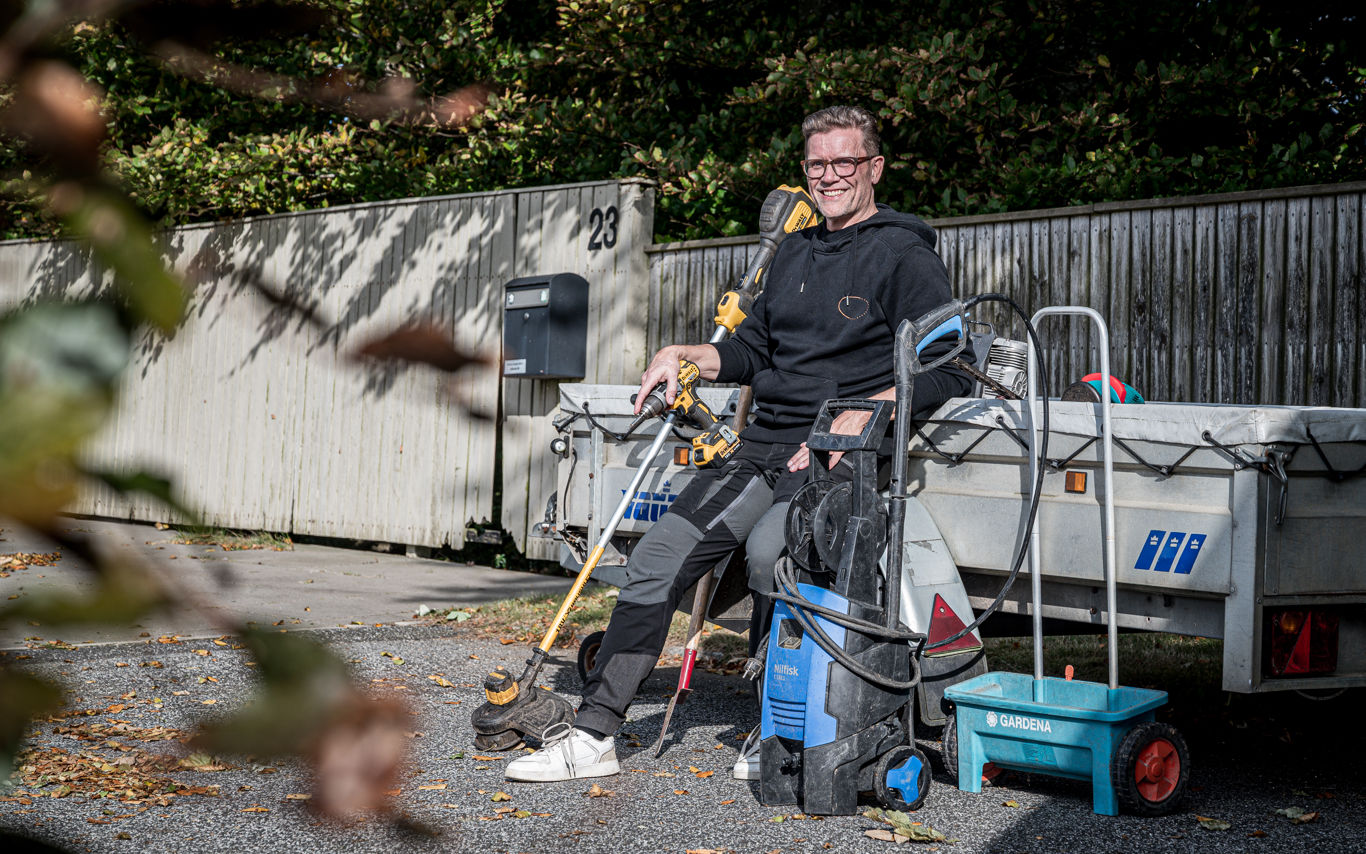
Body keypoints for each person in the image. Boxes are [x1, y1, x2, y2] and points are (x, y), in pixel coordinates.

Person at [505, 104, 973, 783]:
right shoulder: (795, 253)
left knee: (767, 557)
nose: (831, 176)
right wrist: (685, 354)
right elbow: (752, 350)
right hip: (760, 448)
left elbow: (948, 364)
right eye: (818, 164)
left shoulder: (905, 253)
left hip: (838, 457)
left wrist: (871, 411)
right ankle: (594, 735)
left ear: (873, 167)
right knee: (657, 558)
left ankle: (778, 727)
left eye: (845, 162)